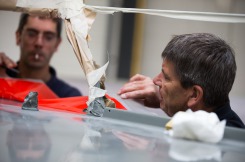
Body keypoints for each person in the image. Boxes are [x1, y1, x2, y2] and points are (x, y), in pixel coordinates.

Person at [118, 33, 245, 128]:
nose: (155, 81)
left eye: (166, 77)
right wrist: (167, 102)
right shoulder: (214, 121)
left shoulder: (218, 141)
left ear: (194, 95)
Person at [0, 13, 82, 97]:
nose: (39, 43)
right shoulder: (1, 78)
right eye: (31, 34)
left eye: (48, 37)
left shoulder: (69, 97)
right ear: (18, 37)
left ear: (57, 44)